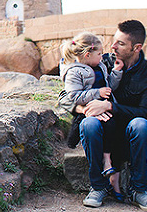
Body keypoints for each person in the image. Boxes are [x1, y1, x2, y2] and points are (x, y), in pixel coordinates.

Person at [60, 20, 147, 211]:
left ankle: (138, 190)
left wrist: (109, 106)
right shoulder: (101, 60)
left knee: (141, 125)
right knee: (89, 124)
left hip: (127, 132)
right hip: (102, 130)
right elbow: (64, 97)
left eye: (120, 43)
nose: (113, 46)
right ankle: (98, 187)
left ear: (137, 47)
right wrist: (85, 109)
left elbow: (146, 113)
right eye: (114, 41)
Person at [59, 32, 124, 200]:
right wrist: (97, 93)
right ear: (88, 55)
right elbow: (73, 96)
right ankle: (99, 181)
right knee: (92, 127)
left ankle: (107, 159)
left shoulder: (101, 66)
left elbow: (109, 86)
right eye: (100, 54)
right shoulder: (74, 72)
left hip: (105, 110)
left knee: (111, 126)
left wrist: (116, 73)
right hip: (88, 111)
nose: (103, 57)